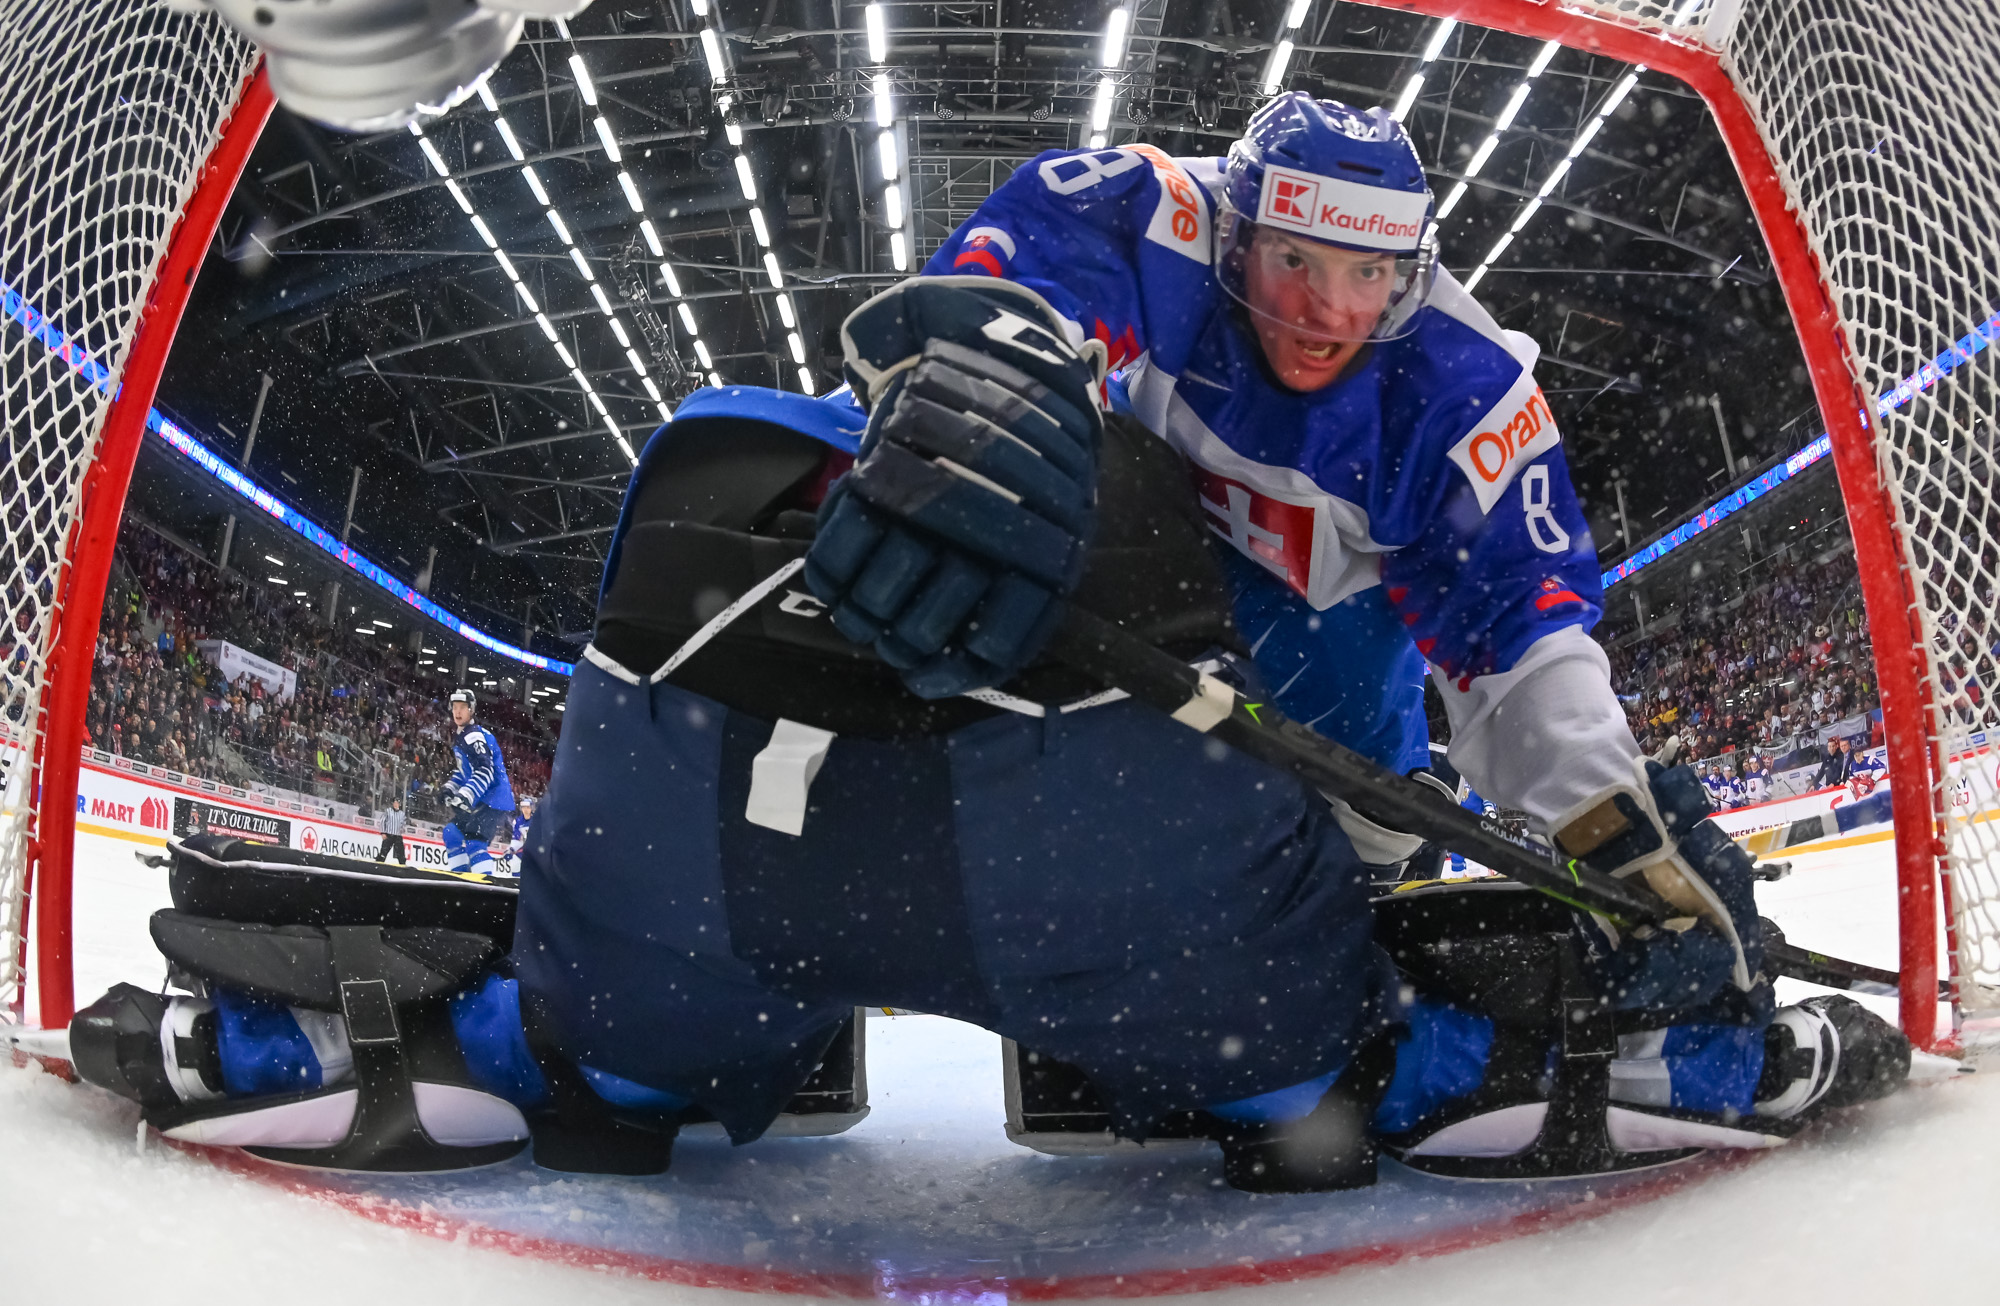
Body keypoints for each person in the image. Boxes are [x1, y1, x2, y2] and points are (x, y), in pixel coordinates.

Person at [64, 99, 1912, 1192]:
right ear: (1246, 221)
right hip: (1086, 657)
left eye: (1371, 276)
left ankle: (1304, 964)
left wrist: (1598, 831)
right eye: (1299, 267)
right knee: (985, 561)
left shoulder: (1466, 385)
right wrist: (990, 372)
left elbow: (1519, 639)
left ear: (1417, 266)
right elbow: (1004, 288)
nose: (1328, 312)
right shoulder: (1148, 215)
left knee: (1341, 791)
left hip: (1293, 693)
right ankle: (1284, 1024)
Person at [440, 689, 516, 876]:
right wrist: (449, 789)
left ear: (472, 710)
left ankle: (484, 891)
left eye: (463, 708)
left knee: (475, 842)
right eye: (455, 707)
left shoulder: (473, 736)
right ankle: (460, 881)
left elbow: (485, 770)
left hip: (494, 799)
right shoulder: (464, 734)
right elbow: (465, 772)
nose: (457, 712)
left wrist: (465, 795)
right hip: (483, 797)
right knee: (451, 833)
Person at [377, 797, 407, 865]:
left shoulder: (402, 814)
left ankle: (402, 865)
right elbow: (382, 821)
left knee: (401, 854)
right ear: (393, 803)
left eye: (398, 803)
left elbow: (404, 824)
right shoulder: (388, 811)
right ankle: (379, 863)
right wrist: (383, 832)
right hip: (389, 835)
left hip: (398, 836)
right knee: (383, 852)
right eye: (395, 803)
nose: (396, 804)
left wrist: (403, 829)